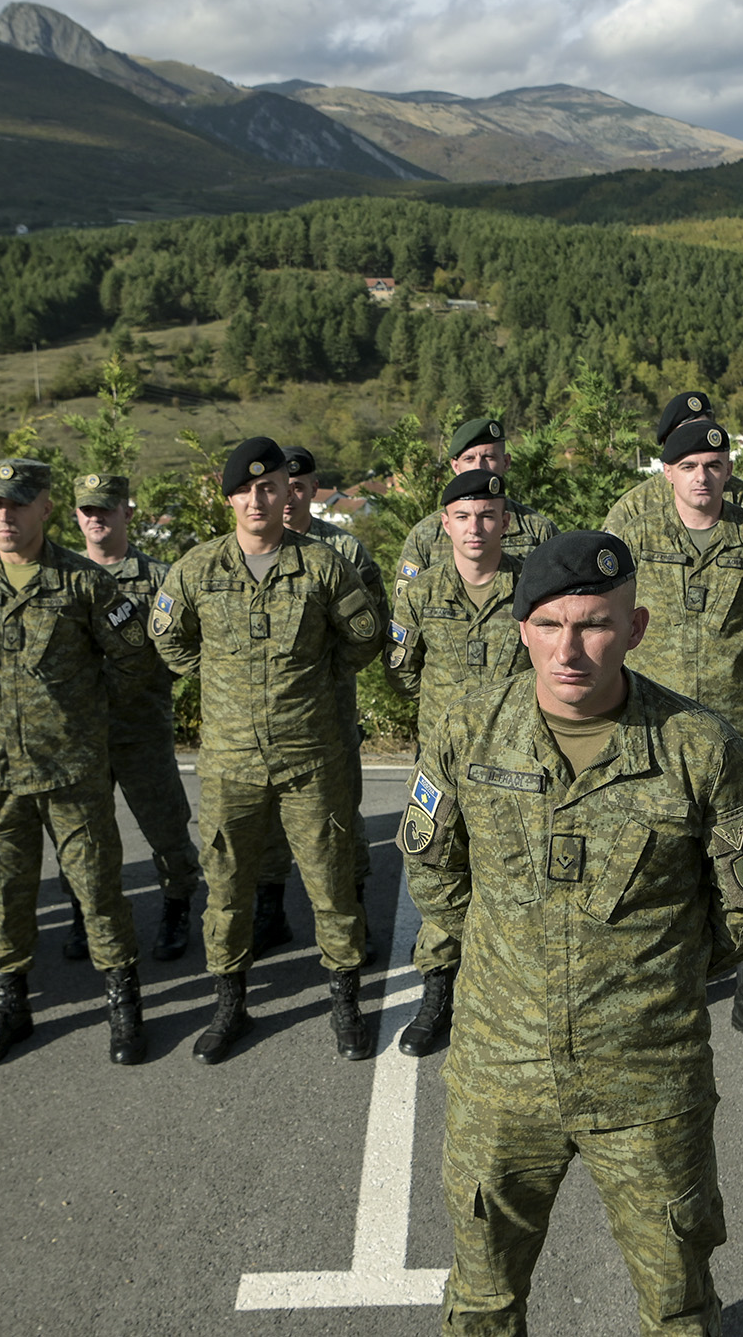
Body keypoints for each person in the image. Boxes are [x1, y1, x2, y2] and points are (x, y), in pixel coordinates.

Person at [400, 530, 743, 1336]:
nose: (569, 648)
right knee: (480, 1301)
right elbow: (435, 872)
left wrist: (652, 975)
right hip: (500, 1072)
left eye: (595, 624)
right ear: (520, 629)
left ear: (636, 626)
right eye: (549, 625)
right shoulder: (467, 730)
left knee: (678, 1303)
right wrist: (510, 957)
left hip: (647, 1076)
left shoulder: (699, 747)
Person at [150, 438, 387, 1064]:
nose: (259, 498)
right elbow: (170, 644)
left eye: (271, 486)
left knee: (332, 883)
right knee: (227, 888)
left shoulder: (323, 565)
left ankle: (345, 1002)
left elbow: (362, 641)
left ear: (289, 492)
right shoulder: (196, 569)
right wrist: (223, 682)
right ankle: (230, 1004)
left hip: (312, 757)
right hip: (230, 764)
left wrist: (309, 681)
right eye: (246, 488)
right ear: (229, 497)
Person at [0, 459, 150, 1069]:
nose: (6, 515)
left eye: (19, 503)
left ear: (45, 507)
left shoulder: (81, 582)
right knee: (5, 894)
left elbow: (131, 657)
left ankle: (123, 1004)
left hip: (71, 770)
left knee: (99, 889)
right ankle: (9, 1007)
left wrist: (83, 713)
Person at [606, 416, 743, 1060]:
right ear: (668, 472)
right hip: (651, 724)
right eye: (689, 466)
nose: (703, 477)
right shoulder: (633, 532)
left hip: (736, 729)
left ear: (729, 471)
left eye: (715, 466)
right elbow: (594, 606)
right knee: (647, 856)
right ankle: (645, 995)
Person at [384, 468, 533, 1056]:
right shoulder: (420, 594)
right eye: (464, 516)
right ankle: (437, 988)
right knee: (438, 870)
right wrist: (444, 723)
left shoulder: (530, 589)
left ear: (505, 522)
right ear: (444, 524)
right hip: (441, 766)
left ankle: (515, 995)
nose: (476, 527)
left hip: (516, 761)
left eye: (488, 515)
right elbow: (402, 669)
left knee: (519, 872)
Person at [247, 445, 383, 960]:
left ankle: (357, 912)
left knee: (340, 820)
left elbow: (373, 625)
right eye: (285, 487)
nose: (289, 498)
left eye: (300, 488)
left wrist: (326, 672)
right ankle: (270, 911)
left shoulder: (343, 552)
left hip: (329, 714)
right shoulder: (252, 551)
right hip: (265, 720)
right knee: (266, 825)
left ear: (307, 490)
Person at [69, 471, 202, 964]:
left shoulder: (160, 578)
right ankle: (86, 913)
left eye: (106, 508)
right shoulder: (61, 575)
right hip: (78, 734)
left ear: (128, 513)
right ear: (76, 517)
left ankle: (176, 906)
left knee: (166, 827)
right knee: (82, 834)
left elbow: (186, 642)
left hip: (141, 726)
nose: (96, 518)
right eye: (87, 510)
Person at [393, 417, 556, 596]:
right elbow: (405, 603)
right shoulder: (426, 534)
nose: (479, 466)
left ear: (506, 462)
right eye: (469, 458)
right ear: (456, 466)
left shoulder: (538, 530)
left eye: (489, 457)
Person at [603, 391, 743, 532]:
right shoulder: (635, 506)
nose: (697, 441)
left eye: (704, 431)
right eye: (686, 437)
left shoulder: (742, 497)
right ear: (667, 444)